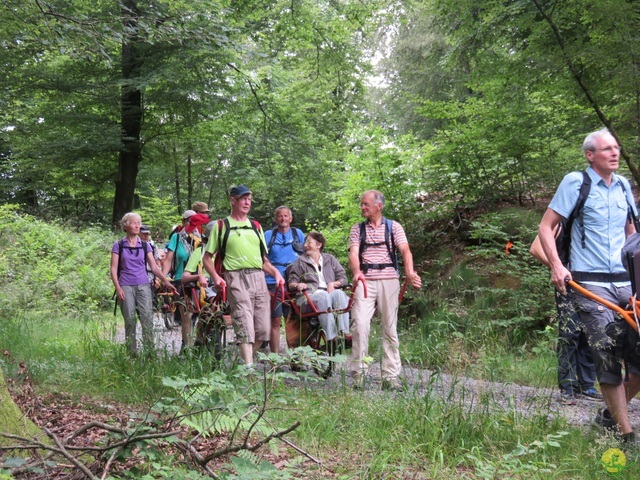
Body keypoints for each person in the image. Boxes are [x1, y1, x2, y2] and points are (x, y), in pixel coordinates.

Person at [538, 128, 640, 443]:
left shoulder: (623, 186)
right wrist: (557, 266)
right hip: (590, 284)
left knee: (638, 359)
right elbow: (545, 226)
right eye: (607, 148)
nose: (615, 153)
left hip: (625, 283)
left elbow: (632, 233)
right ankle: (626, 436)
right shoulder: (575, 183)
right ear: (590, 155)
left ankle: (608, 417)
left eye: (616, 147)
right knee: (607, 355)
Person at [202, 185, 284, 367]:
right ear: (233, 200)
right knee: (244, 321)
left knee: (263, 329)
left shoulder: (256, 226)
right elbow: (207, 258)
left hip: (258, 277)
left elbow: (264, 260)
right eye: (243, 198)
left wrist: (276, 273)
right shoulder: (222, 226)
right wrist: (216, 277)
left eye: (249, 199)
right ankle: (248, 369)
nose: (247, 202)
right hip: (235, 277)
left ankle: (240, 365)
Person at [348, 190, 422, 390]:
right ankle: (358, 376)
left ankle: (390, 377)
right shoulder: (357, 229)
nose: (362, 207)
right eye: (361, 204)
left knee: (389, 328)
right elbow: (354, 253)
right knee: (360, 325)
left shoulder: (394, 227)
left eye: (366, 204)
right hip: (365, 282)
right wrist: (356, 272)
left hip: (389, 281)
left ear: (378, 206)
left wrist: (410, 272)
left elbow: (405, 250)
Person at [529, 236, 600, 404]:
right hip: (569, 285)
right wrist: (558, 268)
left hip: (593, 282)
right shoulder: (561, 218)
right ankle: (567, 388)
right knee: (570, 334)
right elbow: (535, 248)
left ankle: (586, 386)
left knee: (589, 333)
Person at [110, 212, 175, 355]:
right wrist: (118, 288)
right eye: (134, 223)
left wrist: (165, 281)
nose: (137, 225)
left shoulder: (145, 246)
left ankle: (149, 352)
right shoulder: (118, 245)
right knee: (130, 320)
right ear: (126, 226)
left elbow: (154, 267)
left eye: (139, 223)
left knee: (147, 319)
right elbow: (113, 269)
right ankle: (131, 354)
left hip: (144, 285)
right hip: (125, 285)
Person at [287, 231, 350, 343]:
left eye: (309, 242)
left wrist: (333, 284)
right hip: (308, 297)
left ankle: (343, 333)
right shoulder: (300, 262)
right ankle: (331, 337)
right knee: (323, 296)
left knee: (339, 294)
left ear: (319, 245)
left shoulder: (329, 259)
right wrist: (298, 285)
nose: (305, 245)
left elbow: (343, 279)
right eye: (305, 242)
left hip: (328, 293)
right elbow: (291, 283)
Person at [163, 211, 209, 350]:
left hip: (200, 282)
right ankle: (186, 347)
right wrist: (163, 278)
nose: (192, 224)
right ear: (183, 222)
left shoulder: (201, 239)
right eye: (189, 221)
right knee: (186, 315)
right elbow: (168, 260)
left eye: (194, 221)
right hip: (181, 281)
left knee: (203, 314)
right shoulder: (176, 238)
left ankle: (199, 344)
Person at [264, 206, 306, 353]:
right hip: (272, 283)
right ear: (276, 219)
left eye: (286, 216)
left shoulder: (298, 234)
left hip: (294, 283)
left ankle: (294, 357)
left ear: (290, 218)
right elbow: (261, 257)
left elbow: (307, 253)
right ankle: (274, 357)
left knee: (293, 319)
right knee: (275, 320)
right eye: (280, 216)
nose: (283, 219)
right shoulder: (268, 235)